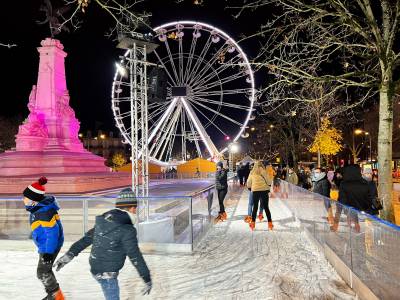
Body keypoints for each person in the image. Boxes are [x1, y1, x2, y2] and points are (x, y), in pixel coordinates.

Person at [54, 188, 152, 299]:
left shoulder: (104, 220)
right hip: (108, 274)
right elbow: (135, 256)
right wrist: (147, 278)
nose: (136, 211)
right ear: (132, 208)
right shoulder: (127, 230)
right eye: (135, 208)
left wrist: (69, 255)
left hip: (95, 268)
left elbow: (86, 239)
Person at [22, 177, 65, 300]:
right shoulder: (38, 208)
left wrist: (48, 253)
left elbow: (52, 234)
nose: (23, 200)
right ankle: (55, 295)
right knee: (45, 270)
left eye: (26, 198)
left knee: (42, 272)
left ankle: (56, 296)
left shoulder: (44, 212)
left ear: (34, 201)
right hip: (46, 244)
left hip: (49, 246)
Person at [331, 165, 374, 233]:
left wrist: (336, 224)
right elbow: (369, 199)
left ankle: (336, 227)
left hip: (350, 212)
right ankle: (358, 229)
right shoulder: (365, 183)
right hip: (364, 215)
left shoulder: (344, 184)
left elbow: (341, 201)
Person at [246, 161, 273, 230]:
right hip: (264, 191)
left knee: (255, 207)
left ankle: (252, 224)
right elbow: (269, 181)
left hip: (255, 191)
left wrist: (250, 187)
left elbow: (248, 183)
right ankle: (270, 224)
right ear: (261, 165)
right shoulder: (263, 171)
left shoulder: (252, 172)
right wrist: (269, 184)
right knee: (266, 207)